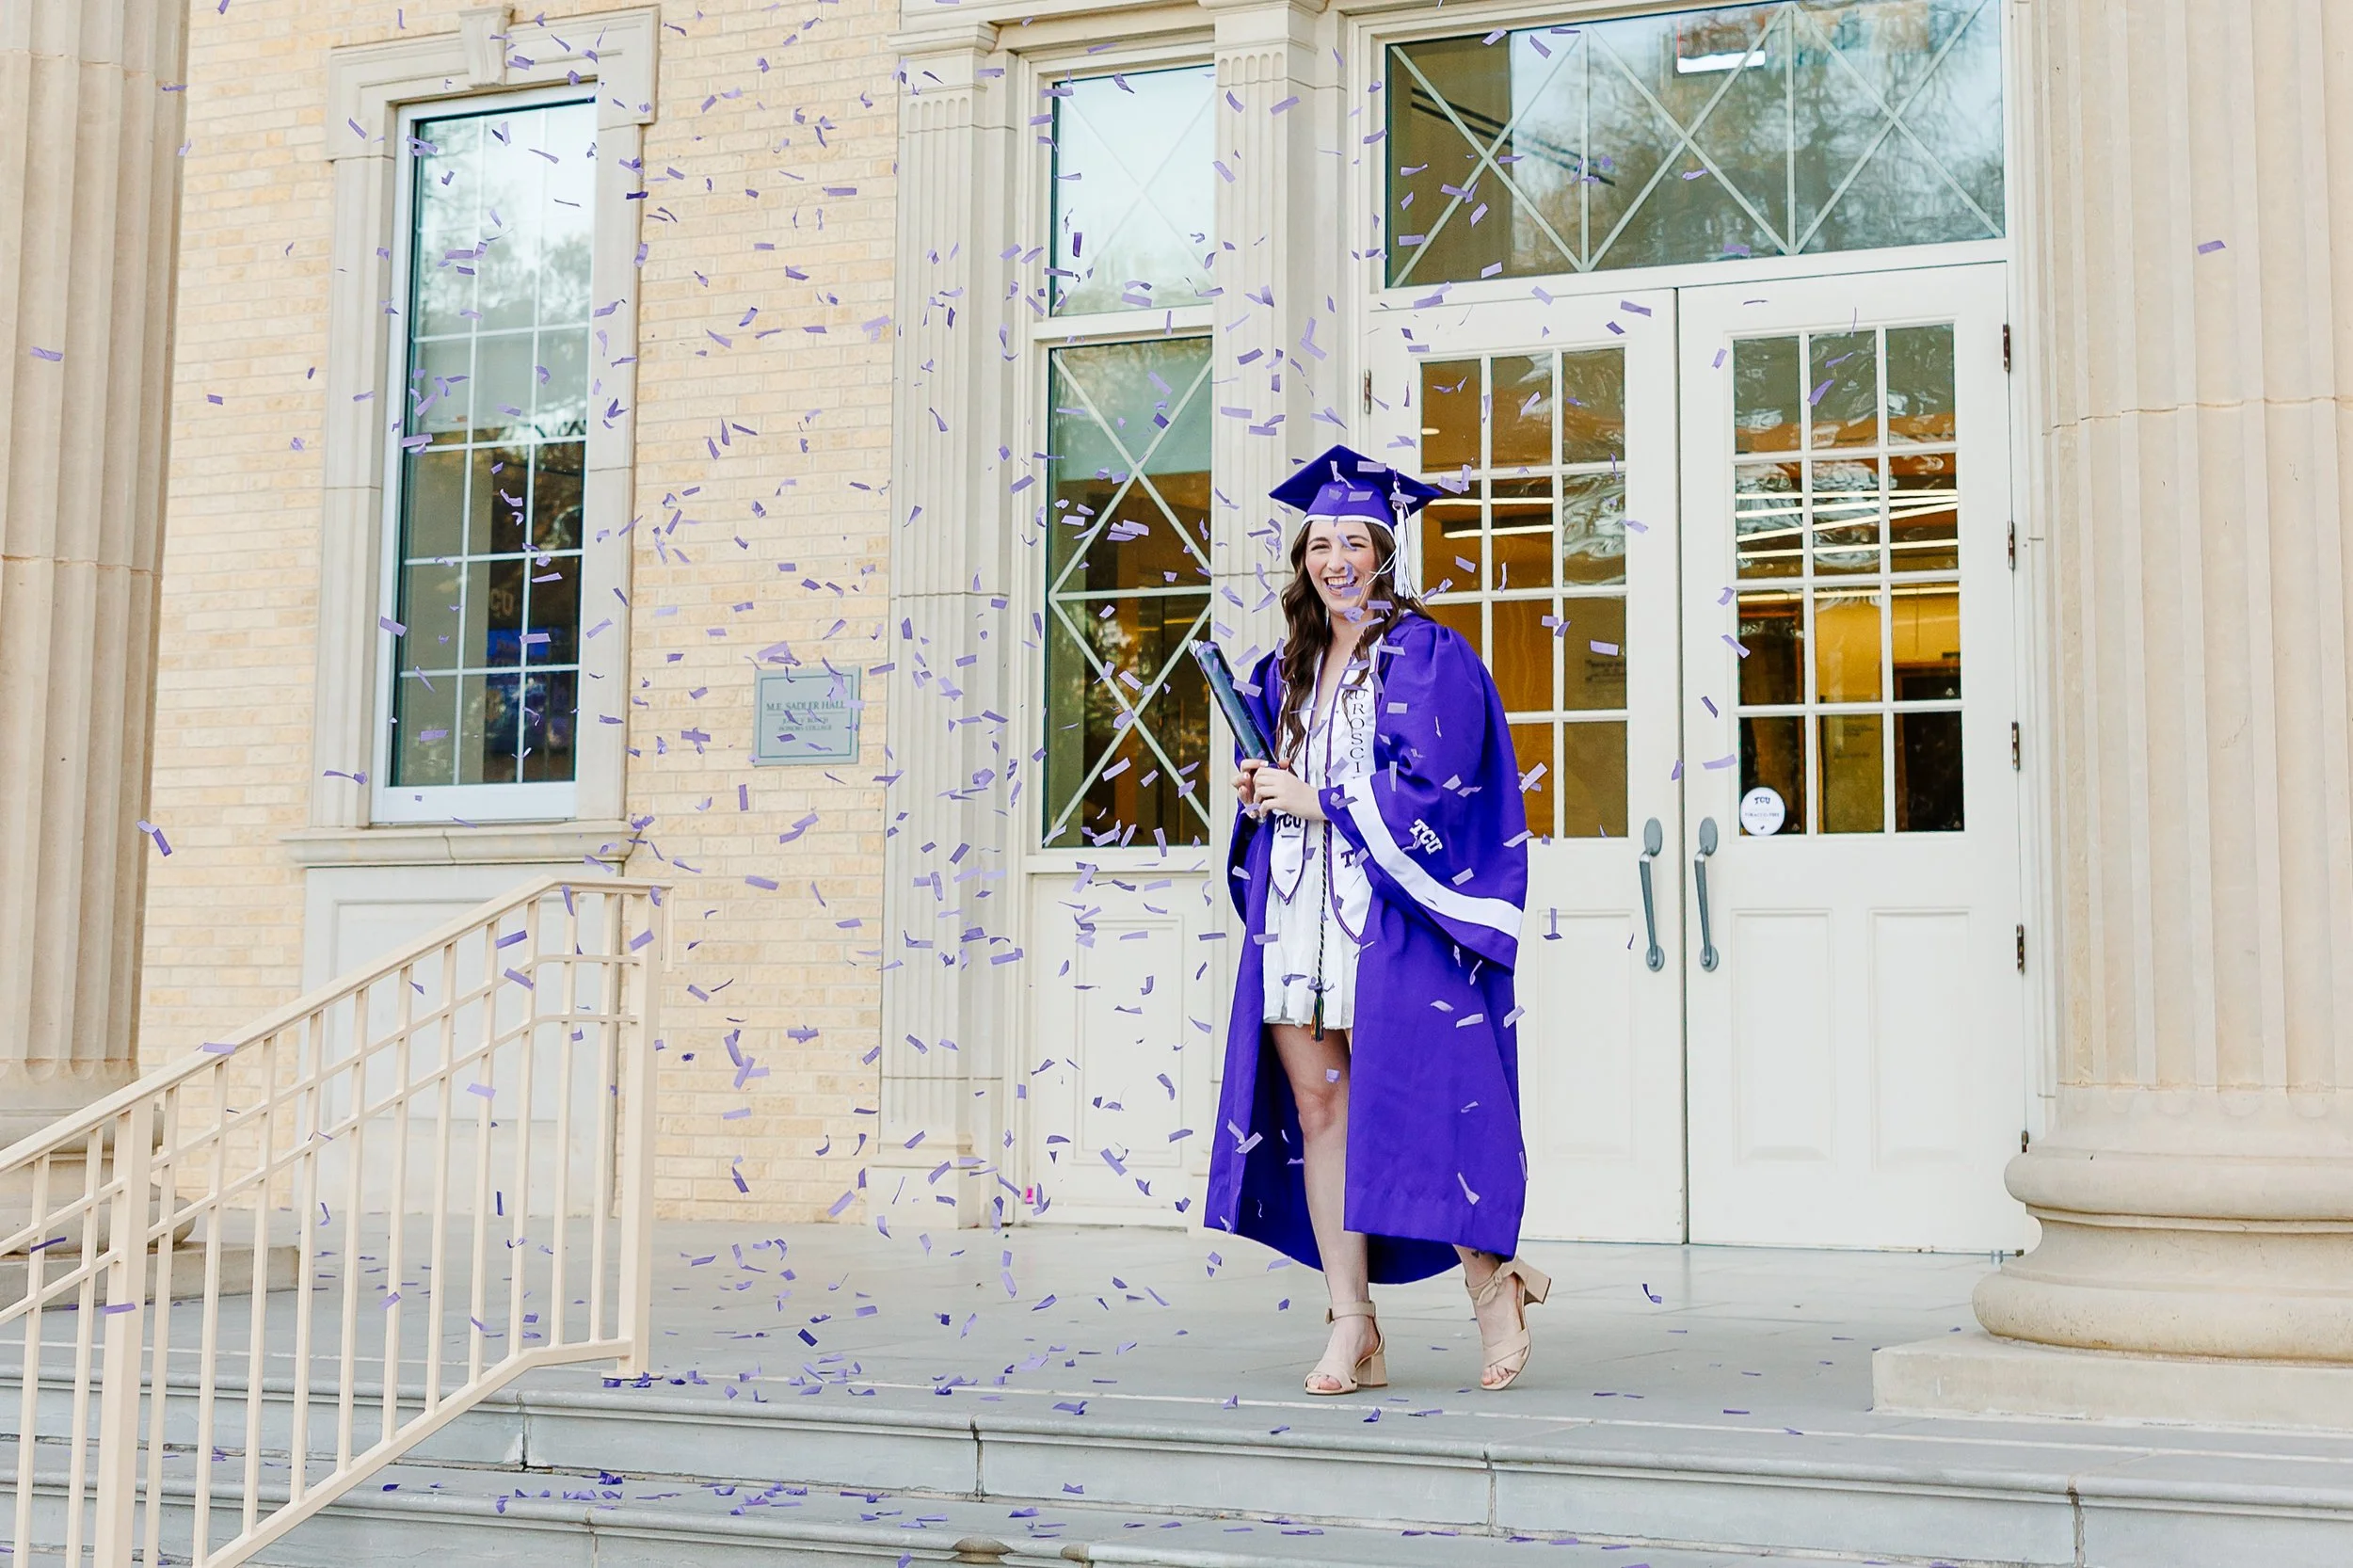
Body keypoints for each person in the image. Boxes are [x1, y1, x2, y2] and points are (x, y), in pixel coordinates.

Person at [1203, 444, 1547, 1397]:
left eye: (1356, 541)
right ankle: (1351, 1322)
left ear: (1385, 551)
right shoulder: (1288, 665)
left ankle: (1493, 1289)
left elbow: (1434, 789)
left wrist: (1315, 798)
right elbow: (1288, 781)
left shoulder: (1429, 653)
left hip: (1392, 910)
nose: (1337, 559)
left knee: (1418, 1095)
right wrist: (1260, 792)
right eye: (1321, 542)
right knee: (1321, 1109)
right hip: (1298, 910)